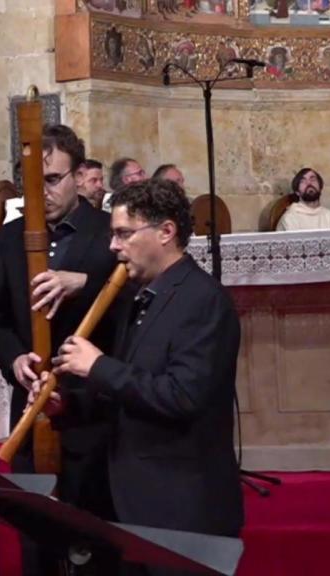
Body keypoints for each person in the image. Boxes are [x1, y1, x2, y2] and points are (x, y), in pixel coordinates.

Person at [39, 178, 243, 574]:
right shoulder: (138, 296)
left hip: (183, 509)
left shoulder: (203, 300)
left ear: (166, 232)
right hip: (132, 502)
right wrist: (66, 405)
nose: (113, 246)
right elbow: (125, 394)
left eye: (123, 234)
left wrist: (97, 366)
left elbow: (182, 396)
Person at [0, 125, 122, 574]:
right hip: (31, 404)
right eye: (32, 182)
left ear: (80, 176)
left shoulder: (107, 233)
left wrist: (82, 284)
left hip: (91, 412)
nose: (42, 191)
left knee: (92, 539)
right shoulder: (9, 237)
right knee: (35, 543)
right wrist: (14, 360)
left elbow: (136, 305)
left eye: (53, 179)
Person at [276, 167, 330, 231]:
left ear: (320, 187)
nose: (309, 183)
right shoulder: (290, 218)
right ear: (297, 192)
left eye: (313, 179)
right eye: (303, 181)